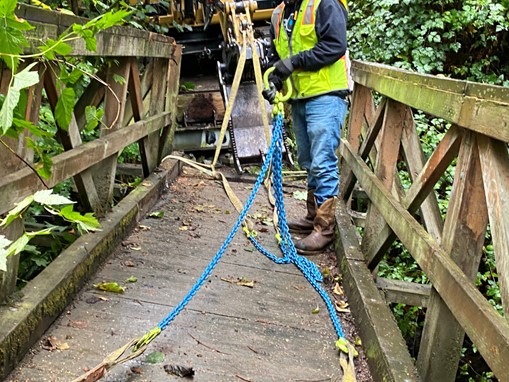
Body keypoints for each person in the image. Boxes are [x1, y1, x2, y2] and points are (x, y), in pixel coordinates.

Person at [263, 0, 351, 255]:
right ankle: (313, 215)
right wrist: (276, 79)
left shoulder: (325, 4)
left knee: (323, 161)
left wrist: (294, 62)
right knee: (308, 159)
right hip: (300, 96)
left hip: (326, 94)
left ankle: (324, 229)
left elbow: (335, 46)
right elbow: (277, 57)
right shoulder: (279, 14)